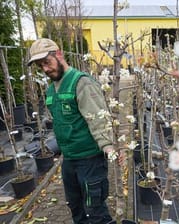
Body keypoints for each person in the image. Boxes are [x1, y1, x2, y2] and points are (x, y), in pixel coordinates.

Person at [28, 38, 122, 224]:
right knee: (75, 207)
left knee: (95, 210)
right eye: (40, 66)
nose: (45, 69)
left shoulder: (81, 83)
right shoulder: (51, 89)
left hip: (90, 161)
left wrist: (109, 147)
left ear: (59, 54)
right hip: (69, 160)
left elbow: (99, 119)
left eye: (47, 62)